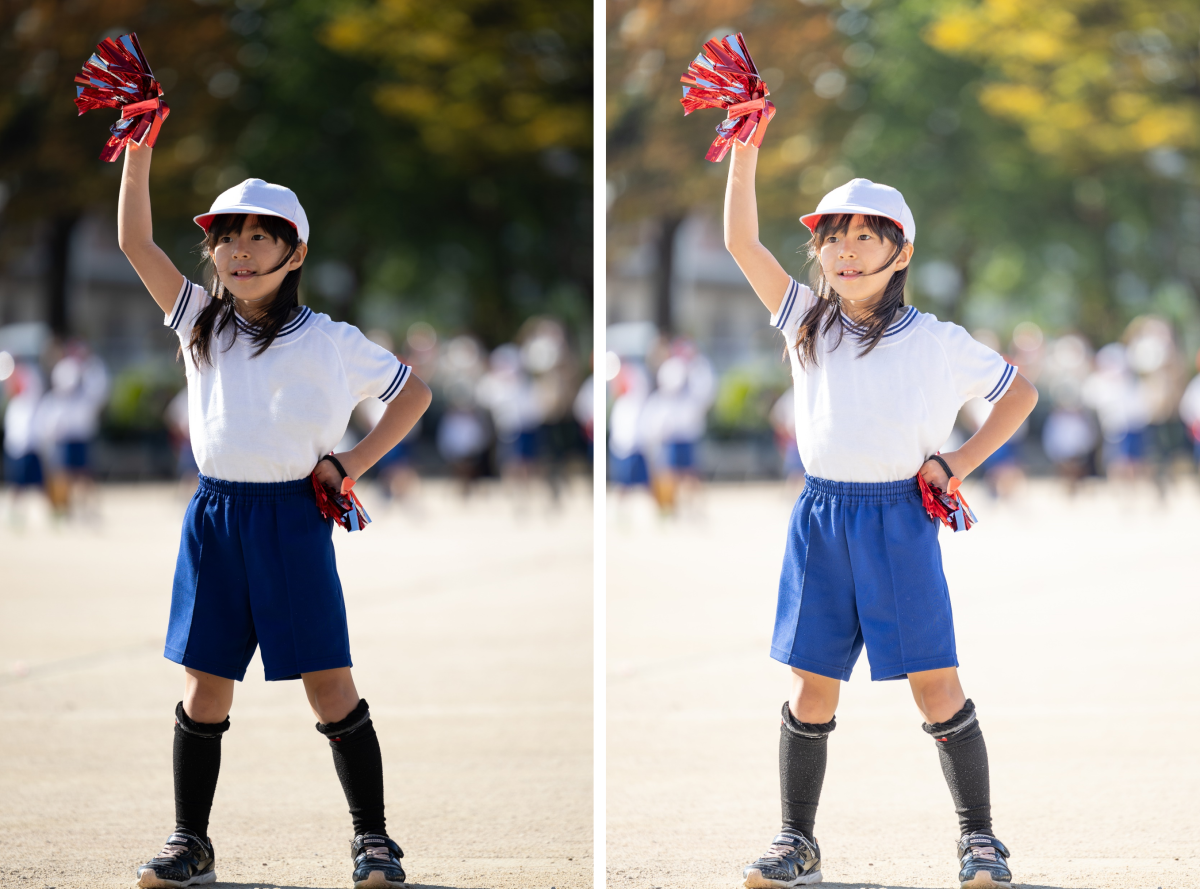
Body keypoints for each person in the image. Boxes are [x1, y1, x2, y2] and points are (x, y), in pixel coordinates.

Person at [117, 135, 432, 889]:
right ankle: (189, 840)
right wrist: (138, 149)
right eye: (228, 237)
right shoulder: (201, 321)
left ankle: (375, 841)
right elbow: (132, 239)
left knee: (330, 685)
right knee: (205, 686)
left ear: (295, 253)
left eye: (261, 236)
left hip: (292, 519)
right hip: (216, 518)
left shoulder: (330, 340)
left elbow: (412, 394)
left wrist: (351, 462)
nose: (240, 250)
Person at [724, 142, 1038, 889]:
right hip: (822, 517)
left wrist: (956, 462)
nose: (845, 249)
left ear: (901, 252)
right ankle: (795, 839)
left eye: (866, 234)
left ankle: (981, 840)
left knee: (936, 685)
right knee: (811, 688)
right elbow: (740, 240)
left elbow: (1018, 394)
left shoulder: (936, 340)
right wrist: (746, 150)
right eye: (832, 236)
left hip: (899, 519)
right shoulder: (806, 320)